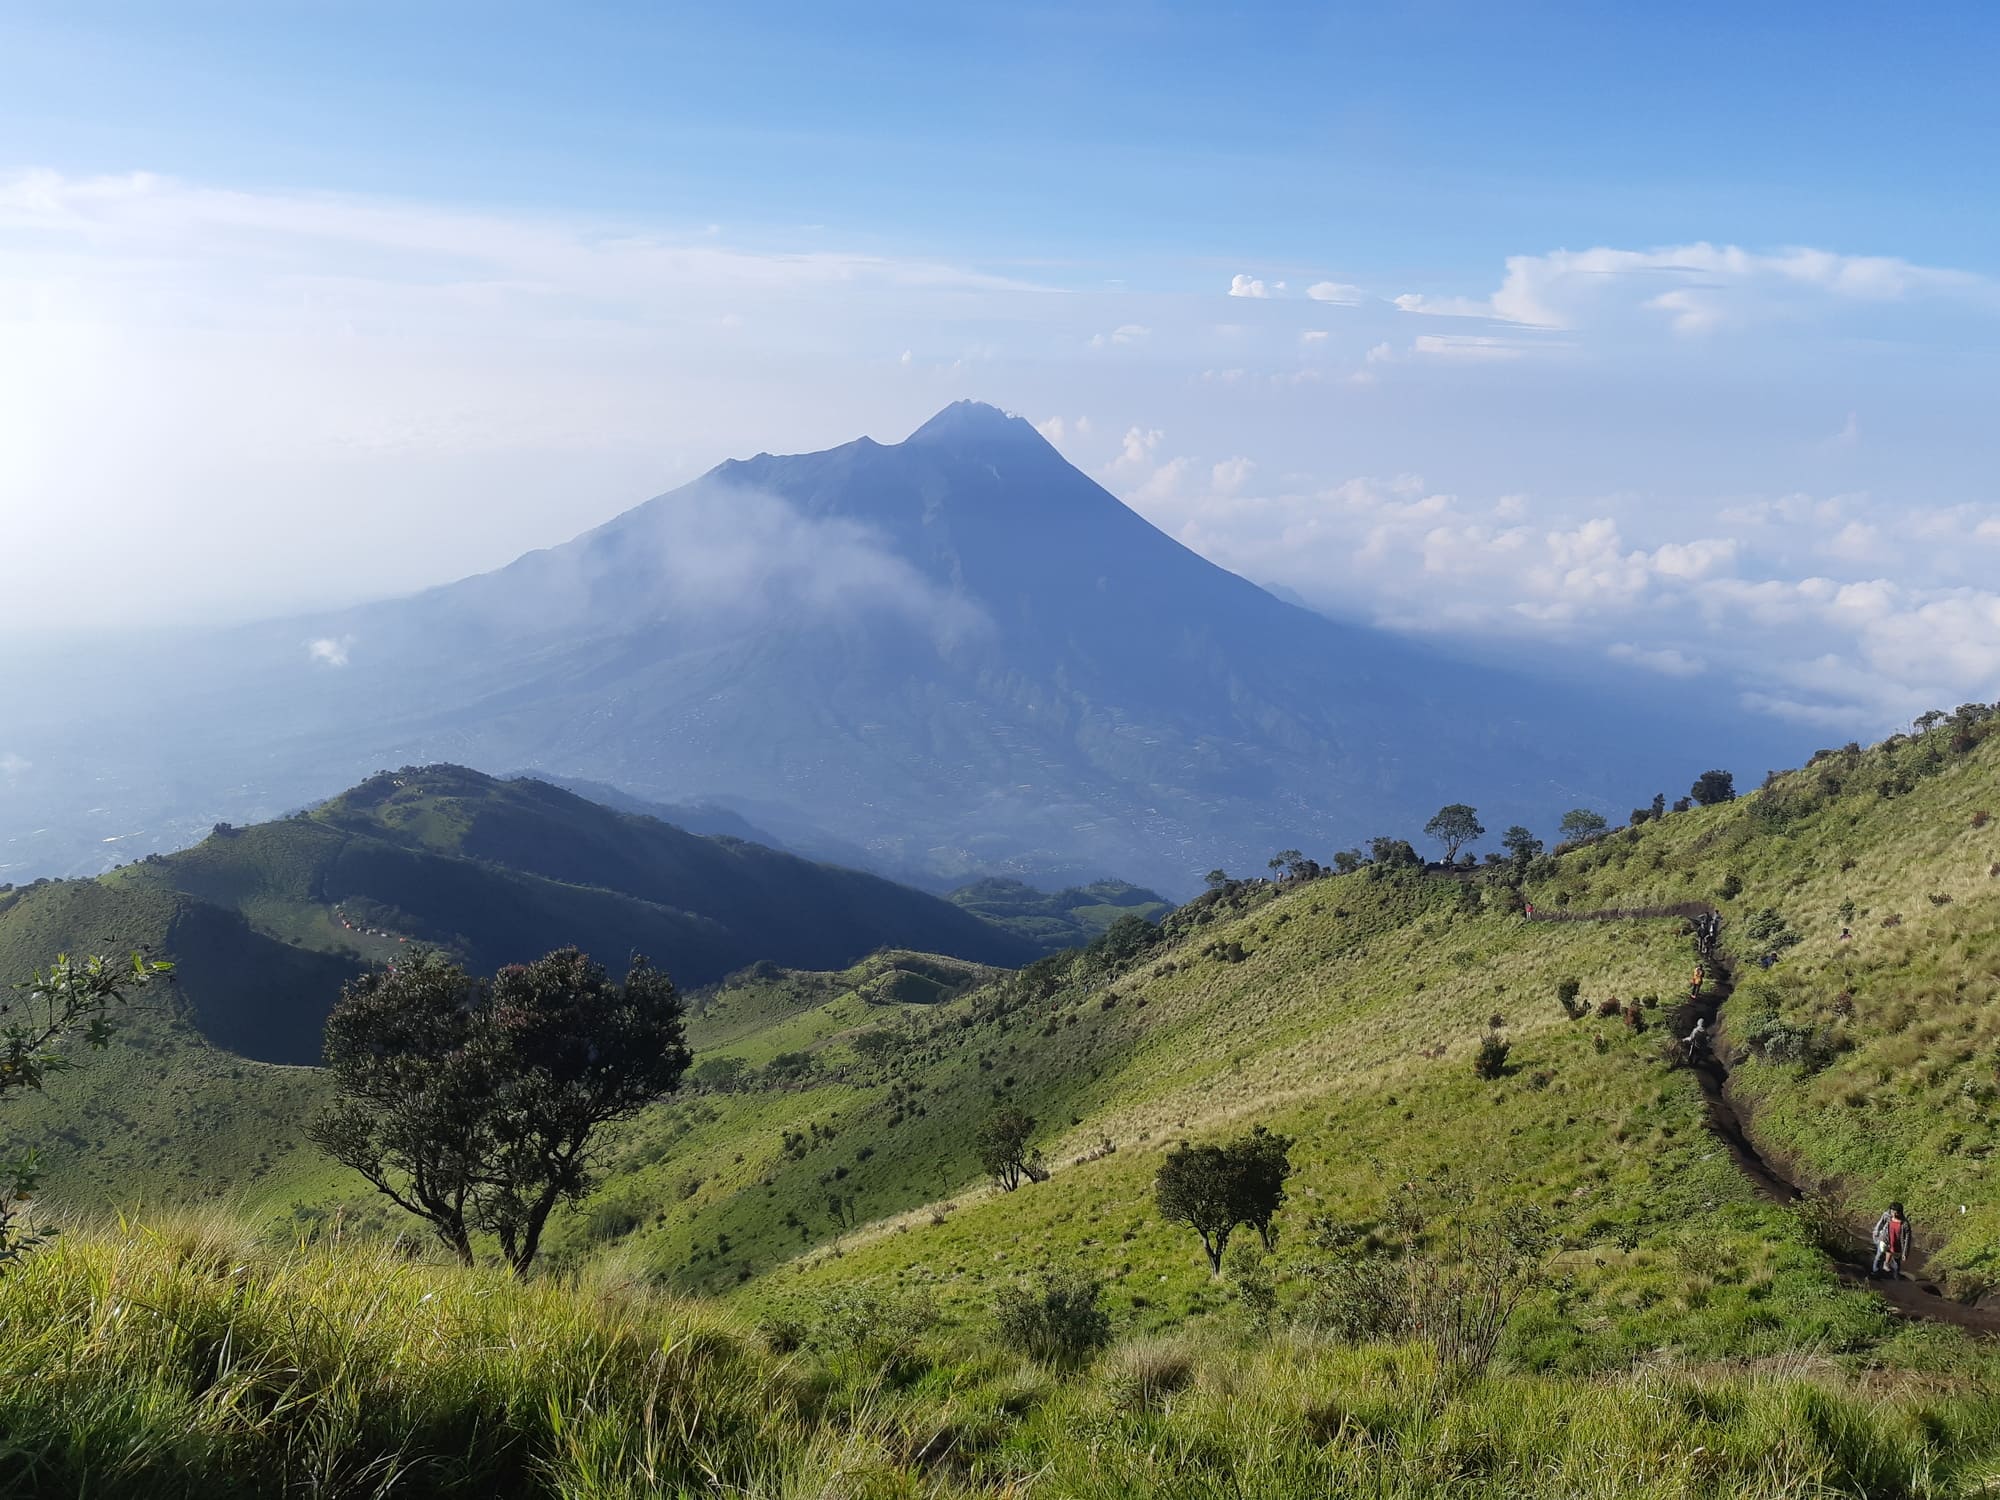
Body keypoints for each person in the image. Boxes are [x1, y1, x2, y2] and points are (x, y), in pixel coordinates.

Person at [1872, 1203, 1911, 1278]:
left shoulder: (1905, 1224)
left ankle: (1896, 1276)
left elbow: (1907, 1240)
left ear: (1900, 1212)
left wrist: (1905, 1253)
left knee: (1896, 1263)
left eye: (1895, 1212)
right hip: (1885, 1240)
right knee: (1879, 1256)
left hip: (1897, 1244)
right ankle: (1875, 1272)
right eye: (1892, 1211)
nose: (1893, 1213)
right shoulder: (1887, 1216)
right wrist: (1876, 1233)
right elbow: (1880, 1223)